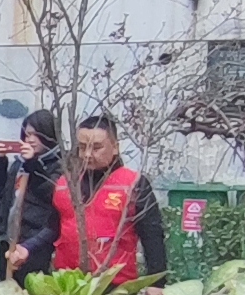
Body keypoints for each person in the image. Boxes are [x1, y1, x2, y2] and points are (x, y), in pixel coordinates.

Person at [49, 115, 170, 283]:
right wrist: (27, 249)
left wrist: (157, 283)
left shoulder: (134, 183)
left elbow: (152, 236)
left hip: (115, 284)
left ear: (115, 147)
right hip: (68, 283)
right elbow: (50, 230)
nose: (88, 154)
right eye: (82, 147)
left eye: (96, 147)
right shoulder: (64, 184)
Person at [0, 109, 65, 275]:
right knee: (7, 292)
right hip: (9, 238)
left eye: (35, 135)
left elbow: (50, 194)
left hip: (35, 242)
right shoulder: (20, 163)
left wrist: (33, 164)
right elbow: (0, 190)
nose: (30, 140)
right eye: (27, 134)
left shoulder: (59, 165)